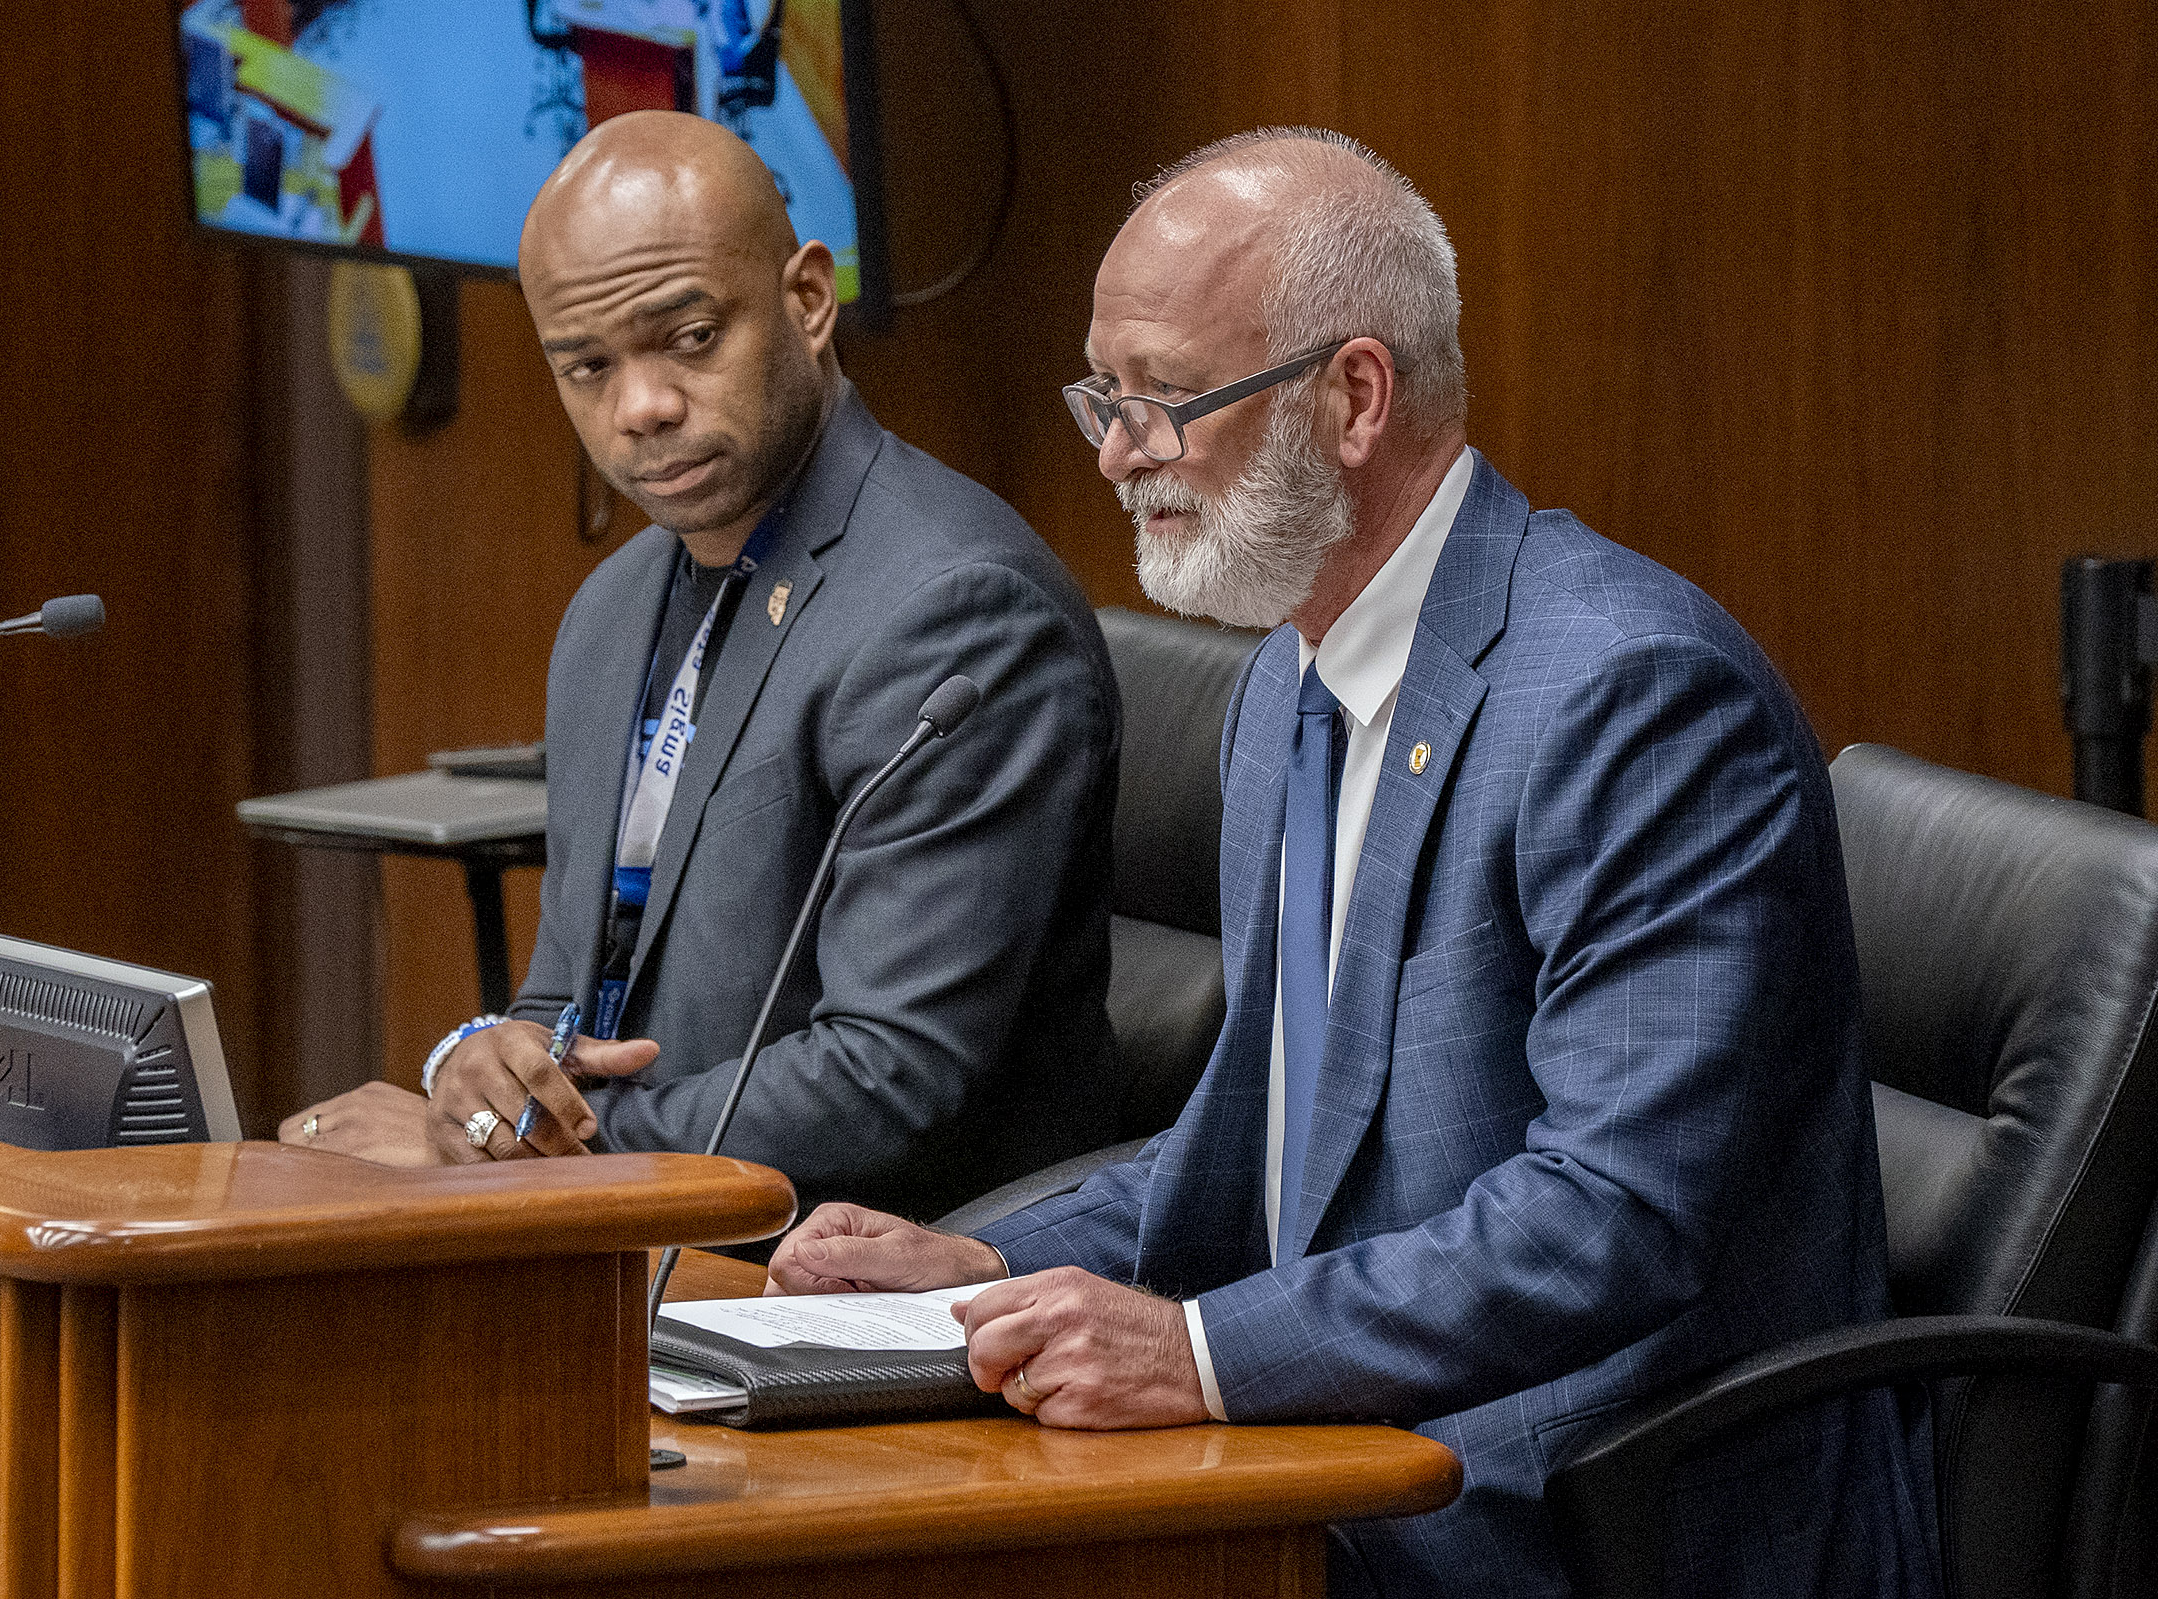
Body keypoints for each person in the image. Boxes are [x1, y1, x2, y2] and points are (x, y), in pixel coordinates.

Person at [763, 128, 1941, 1595]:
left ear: (1354, 397)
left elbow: (1610, 1218)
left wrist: (1196, 1350)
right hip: (1367, 1438)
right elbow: (1263, 1143)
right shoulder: (1290, 683)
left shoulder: (1632, 698)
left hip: (1590, 1496)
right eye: (1103, 400)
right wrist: (983, 1267)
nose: (1120, 453)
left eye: (1161, 402)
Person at [286, 112, 1124, 1226]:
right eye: (587, 367)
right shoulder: (613, 610)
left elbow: (892, 1082)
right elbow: (571, 996)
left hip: (896, 1283)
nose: (640, 408)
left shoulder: (958, 616)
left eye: (688, 338)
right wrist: (480, 1074)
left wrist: (520, 1158)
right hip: (651, 1242)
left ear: (809, 303)